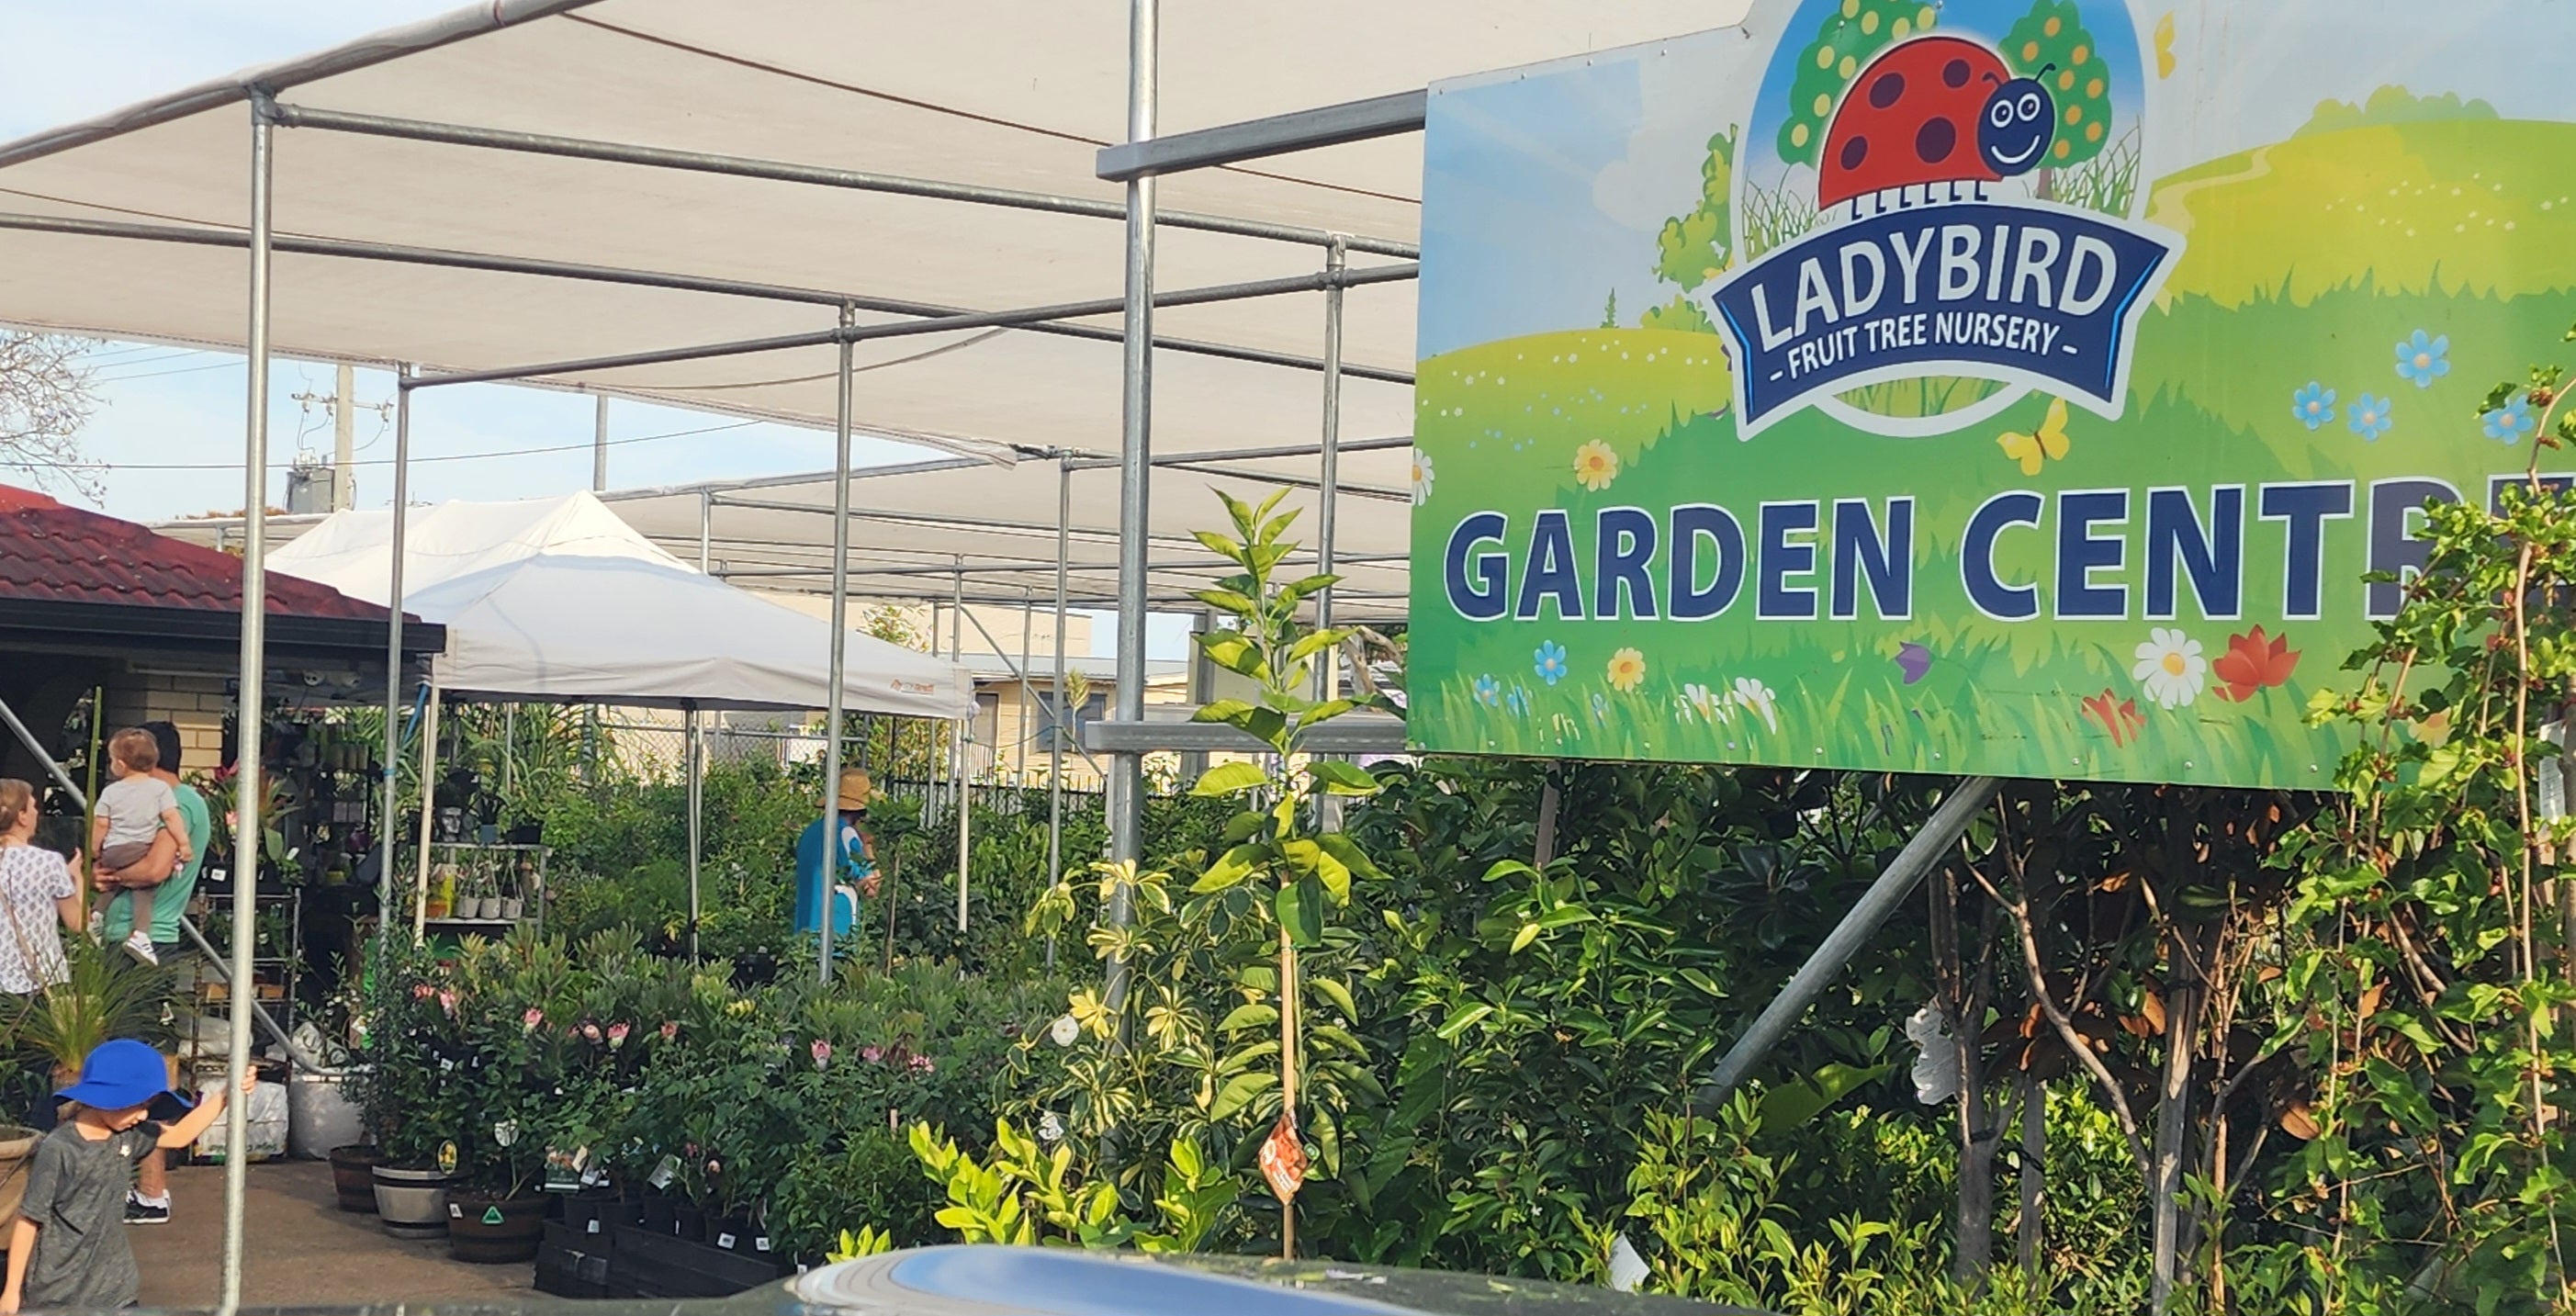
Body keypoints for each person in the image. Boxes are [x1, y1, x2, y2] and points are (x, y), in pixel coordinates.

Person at [0, 1040, 248, 1313]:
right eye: (137, 1104)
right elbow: (29, 1219)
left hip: (116, 1290)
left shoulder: (130, 1134)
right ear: (104, 1097)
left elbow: (180, 1136)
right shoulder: (59, 1149)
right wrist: (11, 1290)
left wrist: (226, 1095)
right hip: (57, 1293)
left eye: (149, 1105)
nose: (143, 1114)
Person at [91, 722, 206, 1228]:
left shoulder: (176, 803)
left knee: (140, 1063)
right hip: (123, 935)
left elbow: (155, 870)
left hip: (147, 940)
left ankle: (152, 1191)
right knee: (119, 1057)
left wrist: (109, 876)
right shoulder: (155, 801)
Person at [87, 729, 191, 967]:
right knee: (145, 890)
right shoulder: (161, 792)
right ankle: (140, 934)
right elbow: (171, 818)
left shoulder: (112, 791)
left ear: (121, 764)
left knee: (122, 883)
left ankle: (96, 915)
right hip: (138, 847)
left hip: (113, 849)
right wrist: (183, 844)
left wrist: (95, 853)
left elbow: (153, 869)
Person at [0, 780, 83, 998]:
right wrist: (77, 877)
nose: (37, 812)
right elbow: (77, 923)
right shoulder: (47, 862)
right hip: (42, 979)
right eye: (34, 806)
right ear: (21, 816)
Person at [793, 768, 881, 942]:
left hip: (805, 927)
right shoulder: (847, 834)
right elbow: (871, 887)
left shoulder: (811, 831)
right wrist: (867, 845)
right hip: (838, 928)